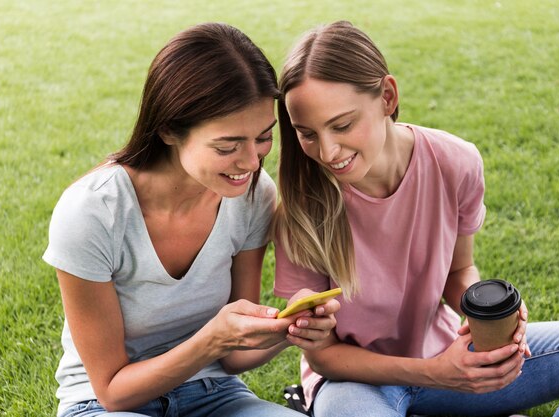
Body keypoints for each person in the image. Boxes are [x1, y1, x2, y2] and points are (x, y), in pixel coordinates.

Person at [271, 20, 559, 417]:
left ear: (387, 96)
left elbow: (459, 270)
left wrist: (487, 315)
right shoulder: (300, 208)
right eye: (307, 133)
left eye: (342, 125)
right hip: (355, 384)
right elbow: (325, 357)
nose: (328, 152)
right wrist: (434, 373)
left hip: (449, 353)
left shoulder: (455, 162)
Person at [43, 23, 339, 417]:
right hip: (103, 405)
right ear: (168, 130)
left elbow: (234, 359)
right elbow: (114, 391)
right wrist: (211, 341)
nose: (251, 162)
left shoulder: (252, 193)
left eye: (263, 137)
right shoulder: (92, 212)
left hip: (214, 393)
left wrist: (288, 329)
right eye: (227, 145)